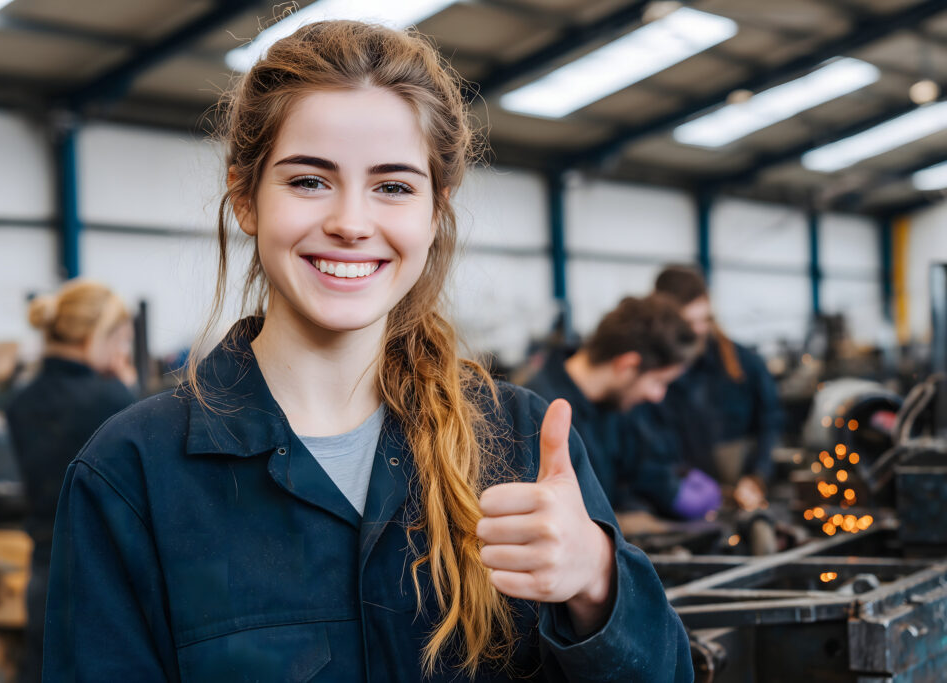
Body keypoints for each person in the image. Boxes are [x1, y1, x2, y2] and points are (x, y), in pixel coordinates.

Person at [43, 21, 692, 681]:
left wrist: (597, 583)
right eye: (309, 181)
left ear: (436, 211)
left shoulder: (520, 443)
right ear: (245, 198)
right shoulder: (133, 476)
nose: (351, 223)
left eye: (393, 186)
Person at [4, 279, 136, 683]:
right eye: (121, 340)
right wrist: (131, 391)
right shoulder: (113, 399)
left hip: (44, 567)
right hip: (103, 575)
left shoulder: (20, 400)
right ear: (97, 337)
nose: (123, 352)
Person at [523, 295, 721, 521]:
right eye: (658, 382)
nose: (658, 396)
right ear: (627, 365)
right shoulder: (535, 415)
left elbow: (632, 478)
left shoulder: (615, 407)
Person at [652, 265, 782, 510]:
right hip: (679, 504)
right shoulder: (652, 378)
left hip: (742, 498)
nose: (699, 330)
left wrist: (757, 476)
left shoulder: (745, 365)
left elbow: (770, 422)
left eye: (705, 319)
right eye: (688, 322)